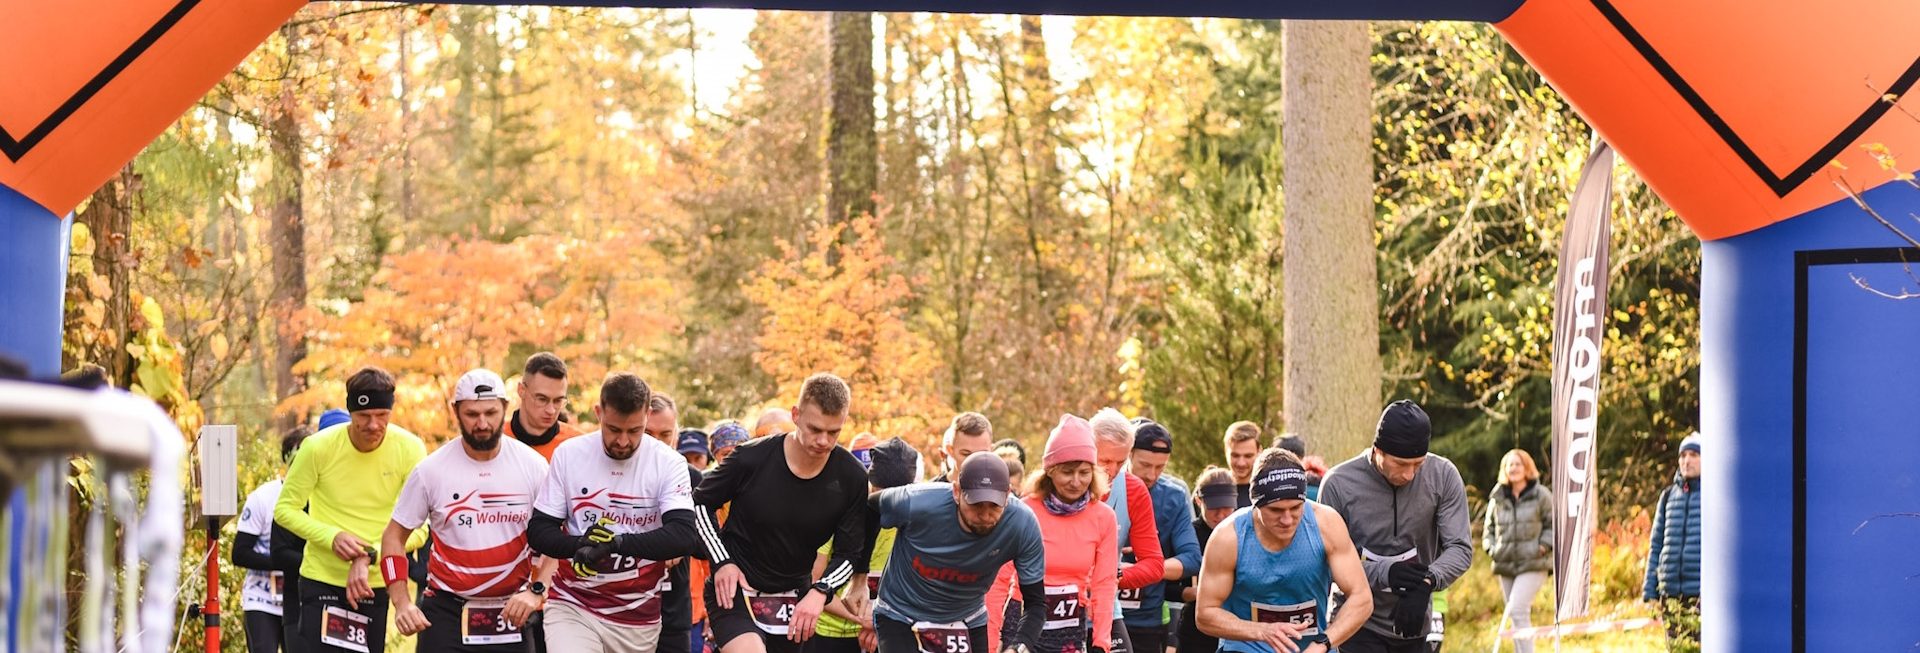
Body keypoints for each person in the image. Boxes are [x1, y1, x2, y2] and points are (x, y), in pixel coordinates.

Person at [523, 373, 704, 652]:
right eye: (613, 429)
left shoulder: (669, 463)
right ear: (599, 413)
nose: (622, 441)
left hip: (636, 616)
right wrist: (580, 544)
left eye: (634, 431)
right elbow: (538, 531)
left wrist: (616, 544)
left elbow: (683, 535)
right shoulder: (569, 454)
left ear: (646, 415)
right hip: (573, 605)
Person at [694, 373, 872, 653]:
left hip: (795, 594)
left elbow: (849, 553)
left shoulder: (851, 477)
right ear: (796, 415)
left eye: (833, 432)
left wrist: (821, 590)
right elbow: (700, 505)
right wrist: (722, 561)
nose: (823, 441)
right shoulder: (750, 458)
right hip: (737, 587)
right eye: (815, 429)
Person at [380, 369, 552, 652]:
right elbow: (393, 539)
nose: (482, 423)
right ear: (455, 411)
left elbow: (558, 540)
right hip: (446, 611)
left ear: (506, 408)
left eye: (491, 412)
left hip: (512, 611)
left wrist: (537, 592)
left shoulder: (533, 466)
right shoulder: (431, 470)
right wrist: (401, 603)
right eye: (472, 414)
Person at [275, 366, 429, 652]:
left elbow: (421, 526)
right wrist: (332, 537)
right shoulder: (317, 447)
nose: (373, 425)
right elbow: (285, 510)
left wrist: (368, 555)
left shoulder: (410, 449)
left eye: (382, 416)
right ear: (350, 413)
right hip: (321, 578)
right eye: (364, 416)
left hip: (375, 583)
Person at [1316, 400, 1471, 653]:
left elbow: (1460, 548)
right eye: (1401, 464)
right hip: (1355, 623)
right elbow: (1326, 562)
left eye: (1418, 464)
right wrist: (1386, 572)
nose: (1410, 474)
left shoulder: (1443, 476)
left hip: (1413, 620)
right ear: (1378, 450)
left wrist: (1428, 581)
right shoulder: (1338, 484)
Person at [856, 449, 1048, 653]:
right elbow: (870, 509)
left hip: (966, 617)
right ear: (956, 492)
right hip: (900, 612)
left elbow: (1036, 604)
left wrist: (1018, 647)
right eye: (975, 505)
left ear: (1008, 495)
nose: (984, 515)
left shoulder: (1023, 525)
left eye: (994, 506)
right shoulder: (917, 502)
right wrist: (859, 577)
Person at [1196, 448, 1371, 653]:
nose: (1287, 520)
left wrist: (1324, 643)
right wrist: (1261, 631)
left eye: (1296, 507)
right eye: (1276, 510)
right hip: (1247, 646)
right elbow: (1205, 614)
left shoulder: (1326, 524)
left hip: (1311, 648)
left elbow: (1362, 598)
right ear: (1256, 503)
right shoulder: (1229, 537)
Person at [987, 415, 1119, 653]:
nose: (1076, 481)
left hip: (1069, 629)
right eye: (1067, 472)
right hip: (1023, 625)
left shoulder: (1104, 517)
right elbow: (998, 579)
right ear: (1050, 471)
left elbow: (1104, 584)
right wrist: (988, 640)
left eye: (1084, 472)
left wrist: (1101, 642)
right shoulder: (1023, 511)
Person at [1118, 420, 1199, 653]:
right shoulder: (1104, 486)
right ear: (1128, 454)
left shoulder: (1173, 496)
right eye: (1144, 464)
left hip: (1147, 618)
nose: (1151, 474)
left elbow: (1192, 558)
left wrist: (1144, 570)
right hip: (1099, 612)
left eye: (1160, 467)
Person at [274, 410, 350, 653]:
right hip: (302, 603)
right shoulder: (301, 489)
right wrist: (323, 554)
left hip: (357, 600)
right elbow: (279, 552)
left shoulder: (365, 487)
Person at [235, 427, 311, 653]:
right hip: (262, 598)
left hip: (298, 598)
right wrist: (284, 561)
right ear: (289, 458)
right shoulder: (263, 497)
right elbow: (239, 552)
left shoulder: (319, 497)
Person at [643, 392, 706, 653]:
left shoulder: (692, 477)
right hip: (623, 608)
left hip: (674, 610)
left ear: (676, 436)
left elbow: (708, 542)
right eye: (649, 433)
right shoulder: (615, 473)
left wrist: (681, 543)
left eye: (665, 435)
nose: (657, 442)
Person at [1481, 449, 1551, 653]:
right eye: (1509, 465)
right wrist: (1492, 549)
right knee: (1515, 615)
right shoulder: (1497, 497)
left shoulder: (1541, 495)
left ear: (1527, 467)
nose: (1513, 468)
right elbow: (1489, 530)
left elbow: (1553, 525)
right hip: (1505, 564)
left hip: (1533, 563)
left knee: (1517, 610)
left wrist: (1543, 546)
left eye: (1518, 464)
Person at [1643, 433, 1701, 651]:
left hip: (1699, 594)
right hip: (1670, 593)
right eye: (1683, 455)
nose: (1687, 460)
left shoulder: (1714, 495)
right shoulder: (1668, 496)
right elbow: (1656, 543)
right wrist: (1650, 590)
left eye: (1694, 454)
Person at [1174, 468, 1238, 653]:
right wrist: (1192, 593)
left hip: (1235, 625)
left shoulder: (1244, 530)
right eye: (1213, 509)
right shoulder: (1187, 535)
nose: (1220, 515)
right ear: (1198, 501)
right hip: (1195, 630)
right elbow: (1162, 587)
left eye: (1226, 508)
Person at [511, 352, 586, 460]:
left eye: (558, 401)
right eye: (542, 399)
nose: (551, 410)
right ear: (521, 390)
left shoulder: (578, 446)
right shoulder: (495, 440)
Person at [933, 412, 994, 483]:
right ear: (950, 450)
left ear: (991, 451)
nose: (974, 462)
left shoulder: (1001, 490)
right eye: (966, 454)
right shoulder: (931, 492)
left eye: (981, 455)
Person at [1223, 423, 1261, 508]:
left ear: (1259, 451)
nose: (1241, 463)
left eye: (1248, 456)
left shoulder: (1267, 489)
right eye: (1235, 456)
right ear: (1225, 451)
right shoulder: (1212, 488)